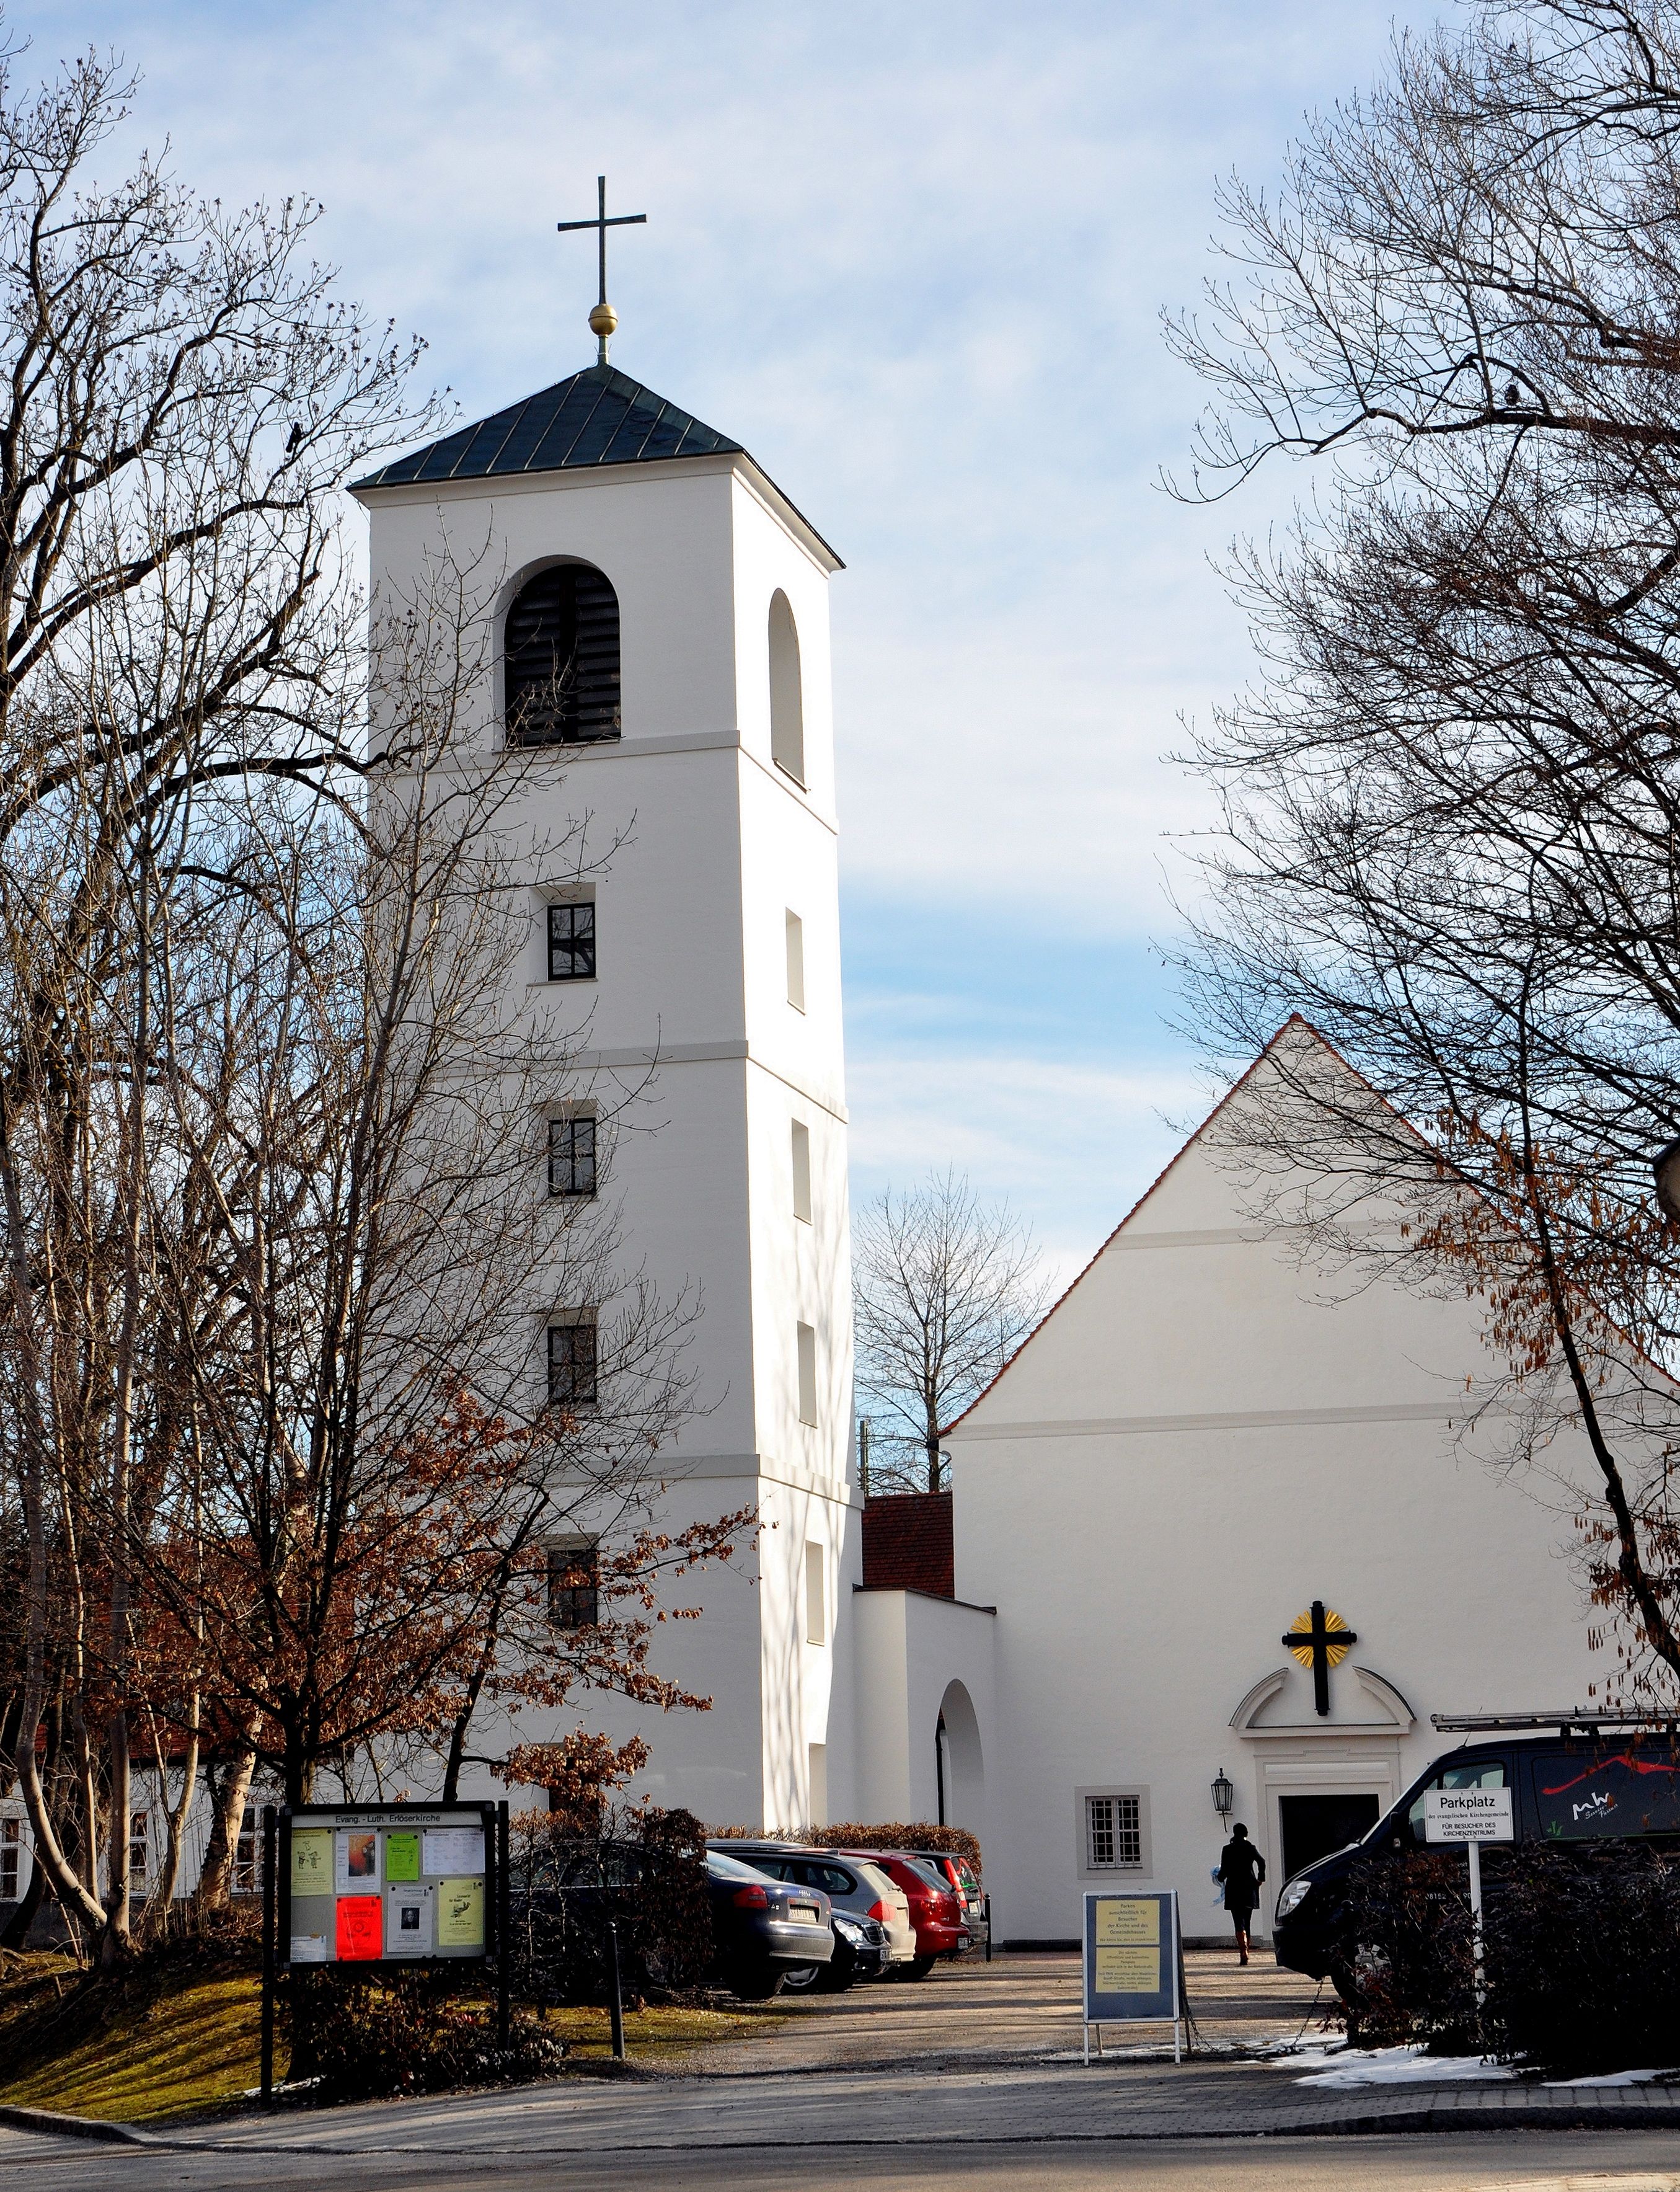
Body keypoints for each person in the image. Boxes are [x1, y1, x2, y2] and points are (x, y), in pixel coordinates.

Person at [1216, 1823, 1266, 1965]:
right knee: (1248, 1921)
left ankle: (1242, 1950)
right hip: (1249, 1888)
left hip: (1234, 1888)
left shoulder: (1227, 1850)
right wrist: (1260, 1879)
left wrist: (1219, 1878)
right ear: (1246, 1833)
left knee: (1238, 1921)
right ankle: (1247, 1950)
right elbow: (1261, 1862)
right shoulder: (1251, 1848)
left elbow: (1224, 1870)